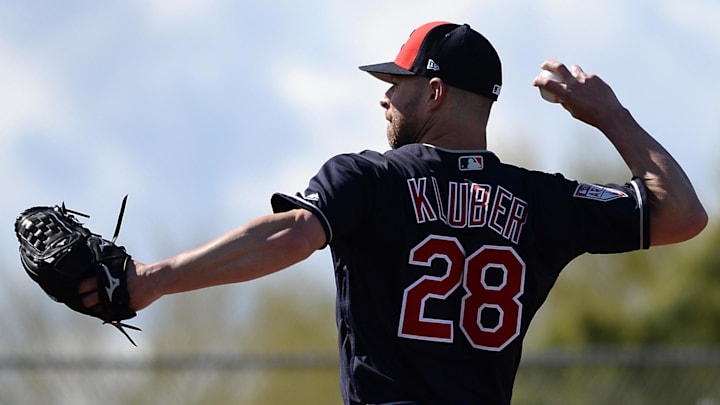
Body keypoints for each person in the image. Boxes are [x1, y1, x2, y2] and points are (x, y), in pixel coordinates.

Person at [80, 21, 707, 404]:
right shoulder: (540, 201)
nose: (384, 94)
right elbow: (681, 214)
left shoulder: (370, 177)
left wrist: (148, 281)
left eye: (398, 81)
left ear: (433, 93)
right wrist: (609, 117)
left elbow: (291, 234)